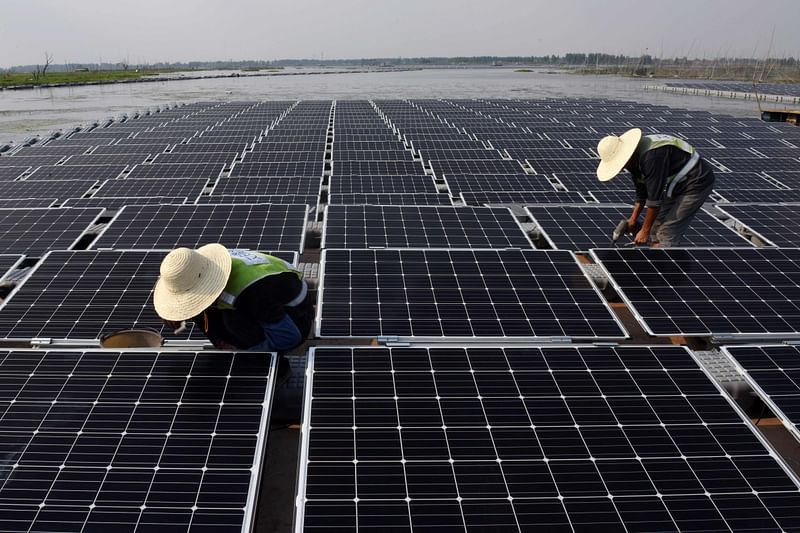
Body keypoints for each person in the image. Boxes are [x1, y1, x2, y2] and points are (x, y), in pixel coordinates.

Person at [153, 244, 313, 381]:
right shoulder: (202, 268)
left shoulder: (251, 294)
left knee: (233, 324)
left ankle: (273, 366)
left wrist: (243, 354)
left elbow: (289, 337)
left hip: (295, 317)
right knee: (211, 314)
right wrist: (179, 312)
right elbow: (199, 304)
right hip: (268, 299)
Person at [596, 128, 715, 247]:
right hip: (678, 183)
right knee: (655, 226)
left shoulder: (651, 158)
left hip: (697, 182)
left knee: (667, 232)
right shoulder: (636, 158)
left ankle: (664, 260)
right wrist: (633, 219)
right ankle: (653, 253)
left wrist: (644, 231)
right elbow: (642, 194)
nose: (621, 168)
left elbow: (654, 200)